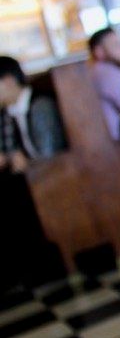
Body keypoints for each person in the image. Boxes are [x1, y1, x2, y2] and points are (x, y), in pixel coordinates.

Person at [0, 56, 66, 287]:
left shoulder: (40, 105)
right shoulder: (8, 113)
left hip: (59, 175)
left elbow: (49, 156)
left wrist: (22, 160)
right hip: (31, 178)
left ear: (8, 81)